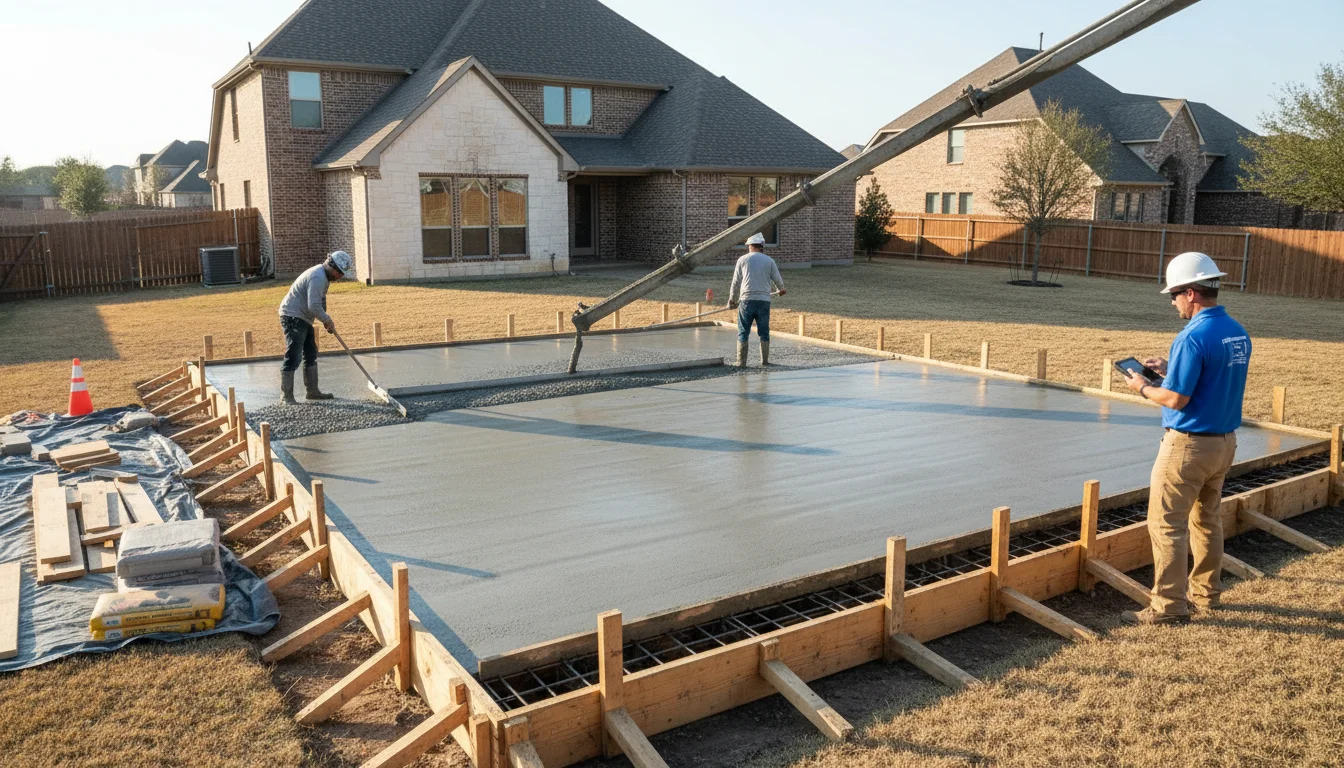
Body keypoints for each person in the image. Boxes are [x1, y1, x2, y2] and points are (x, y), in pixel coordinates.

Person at [1120, 251, 1251, 625]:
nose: (1173, 302)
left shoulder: (1191, 336)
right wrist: (1171, 369)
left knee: (1166, 525)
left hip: (1188, 446)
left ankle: (1168, 606)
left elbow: (1177, 399)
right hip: (1223, 443)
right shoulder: (1236, 332)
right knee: (1207, 520)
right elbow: (1211, 380)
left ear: (1191, 293)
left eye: (1174, 295)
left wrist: (1142, 386)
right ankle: (1207, 595)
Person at [277, 250, 352, 404]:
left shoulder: (324, 276)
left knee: (310, 352)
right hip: (293, 315)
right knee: (294, 354)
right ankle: (286, 396)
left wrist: (325, 321)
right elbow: (313, 305)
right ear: (332, 266)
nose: (341, 277)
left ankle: (312, 392)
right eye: (340, 273)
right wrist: (327, 319)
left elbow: (320, 302)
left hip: (303, 316)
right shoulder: (318, 277)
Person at [727, 233, 786, 366]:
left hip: (746, 300)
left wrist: (732, 299)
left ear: (751, 246)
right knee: (764, 332)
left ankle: (741, 362)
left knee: (743, 331)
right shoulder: (769, 261)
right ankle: (765, 361)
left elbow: (735, 282)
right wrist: (781, 288)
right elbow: (777, 278)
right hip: (764, 301)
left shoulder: (742, 260)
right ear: (761, 246)